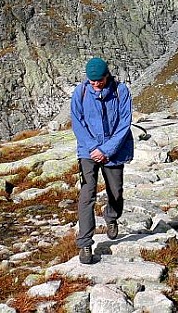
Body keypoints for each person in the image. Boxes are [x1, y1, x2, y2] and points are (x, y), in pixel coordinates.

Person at [70, 56, 134, 264]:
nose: (96, 84)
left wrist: (106, 150)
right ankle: (85, 244)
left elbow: (125, 123)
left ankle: (111, 217)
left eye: (99, 80)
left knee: (116, 191)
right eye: (92, 81)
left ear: (107, 76)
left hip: (113, 150)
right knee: (87, 195)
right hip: (88, 151)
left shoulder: (121, 91)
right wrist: (93, 148)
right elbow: (78, 123)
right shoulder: (79, 93)